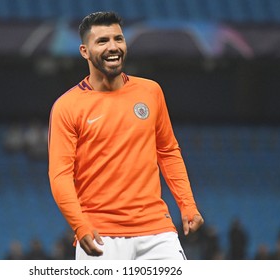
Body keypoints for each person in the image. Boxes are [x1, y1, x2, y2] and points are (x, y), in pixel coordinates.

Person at [48, 11, 204, 260]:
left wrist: (187, 204)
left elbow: (168, 152)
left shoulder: (151, 91)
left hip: (157, 230)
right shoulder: (67, 106)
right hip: (101, 234)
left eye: (118, 39)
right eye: (102, 41)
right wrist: (79, 224)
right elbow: (60, 176)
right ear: (84, 51)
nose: (113, 47)